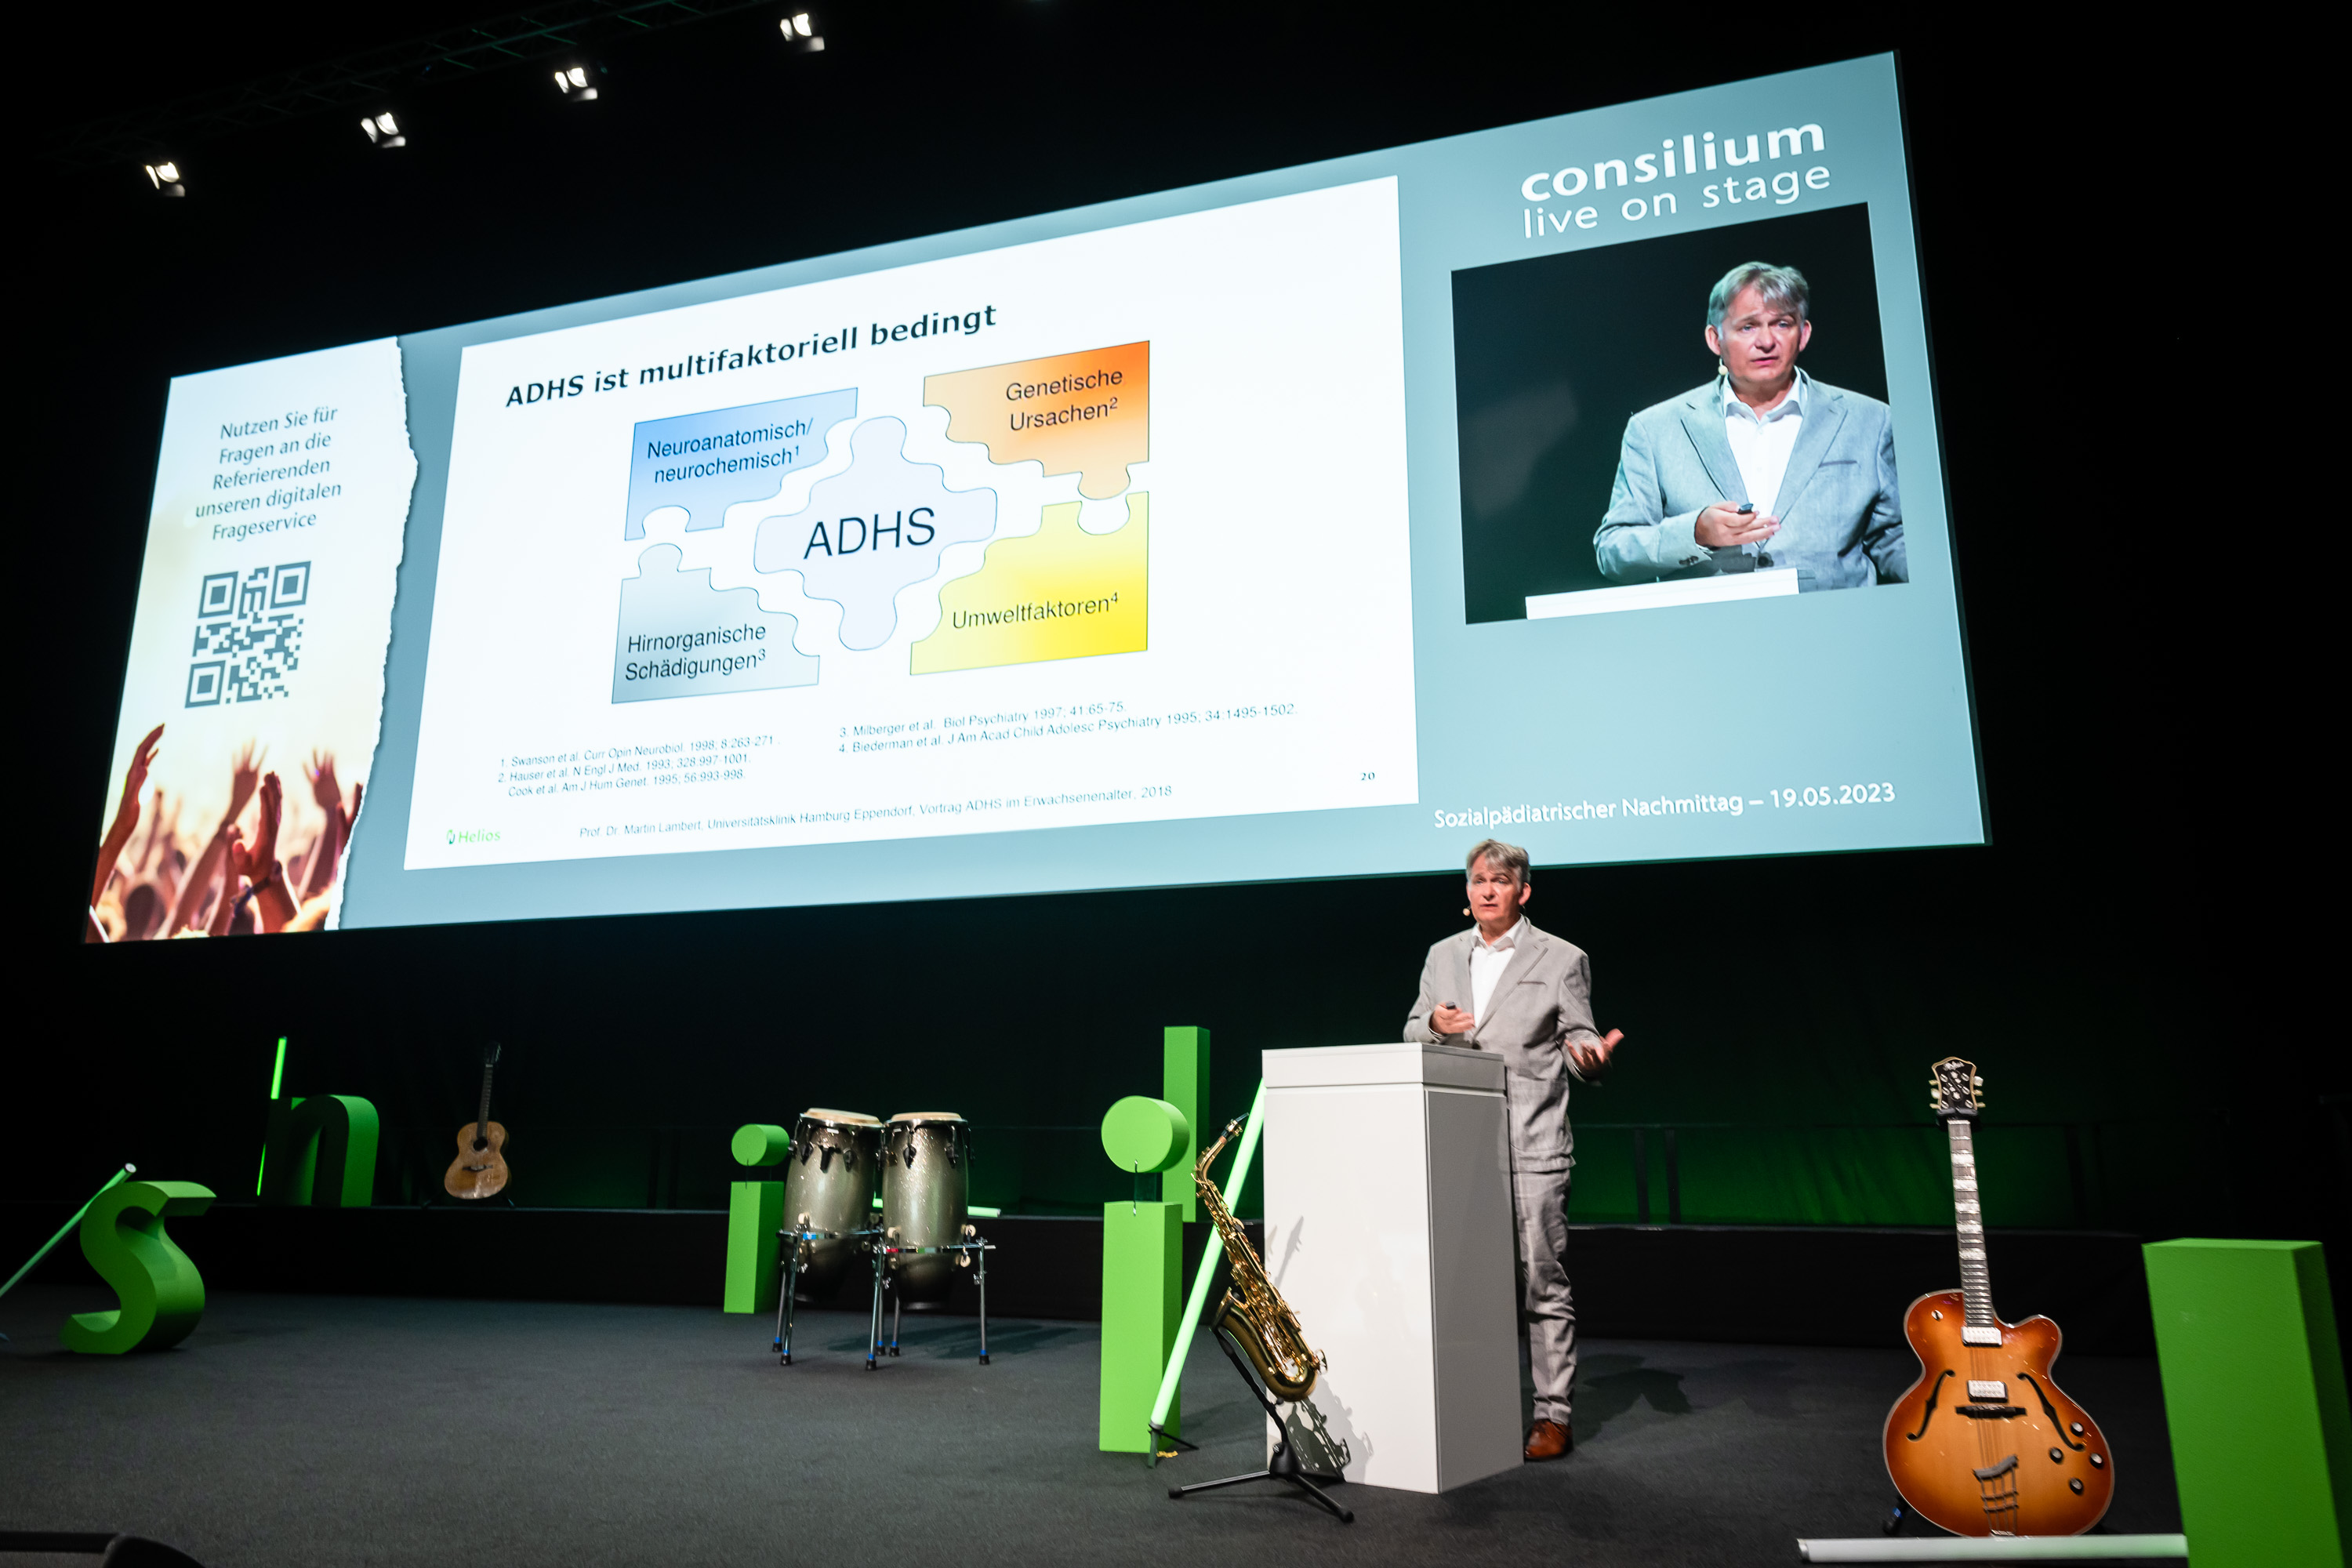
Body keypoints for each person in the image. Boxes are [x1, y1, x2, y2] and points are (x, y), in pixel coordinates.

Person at [1404, 839, 1622, 1461]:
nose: (1487, 889)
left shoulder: (1562, 957)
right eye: (1479, 880)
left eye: (1500, 881)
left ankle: (1553, 1415)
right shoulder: (1442, 954)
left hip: (1532, 1144)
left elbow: (1581, 1039)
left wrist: (1592, 1061)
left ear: (1522, 892)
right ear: (1467, 891)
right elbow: (1413, 1027)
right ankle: (1477, 1404)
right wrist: (1433, 1027)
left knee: (1541, 1282)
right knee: (1466, 1284)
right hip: (1458, 1146)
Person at [1594, 260, 1904, 590]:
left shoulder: (1870, 420)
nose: (1767, 341)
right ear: (1715, 339)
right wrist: (1695, 533)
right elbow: (1614, 552)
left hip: (1839, 618)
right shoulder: (1655, 430)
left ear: (1803, 334)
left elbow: (1895, 537)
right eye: (1748, 327)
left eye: (1782, 324)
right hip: (1714, 620)